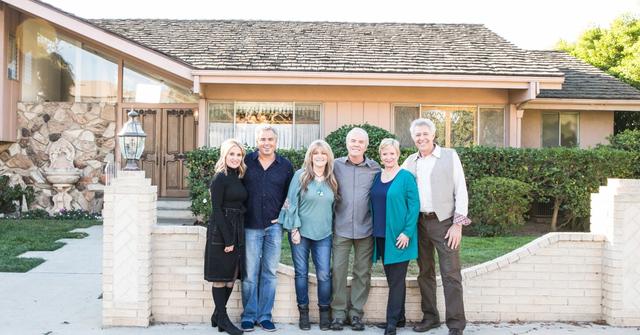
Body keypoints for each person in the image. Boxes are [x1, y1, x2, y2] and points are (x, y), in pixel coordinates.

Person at [401, 119, 471, 335]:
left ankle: (456, 324)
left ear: (433, 135)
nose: (421, 138)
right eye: (417, 135)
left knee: (451, 274)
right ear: (413, 138)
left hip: (444, 223)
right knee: (425, 272)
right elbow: (396, 183)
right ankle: (430, 317)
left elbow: (461, 190)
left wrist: (457, 225)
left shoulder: (449, 156)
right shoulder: (410, 161)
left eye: (425, 134)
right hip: (419, 223)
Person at [279, 140, 338, 331]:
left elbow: (335, 207)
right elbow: (290, 202)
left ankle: (324, 313)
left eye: (323, 153)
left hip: (324, 234)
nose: (319, 156)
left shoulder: (332, 178)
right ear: (310, 156)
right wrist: (294, 229)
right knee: (301, 274)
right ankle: (303, 313)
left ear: (328, 156)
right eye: (315, 153)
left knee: (324, 275)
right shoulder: (300, 176)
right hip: (301, 234)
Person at [241, 125, 294, 332]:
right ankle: (248, 315)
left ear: (276, 142)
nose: (266, 143)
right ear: (257, 141)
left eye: (270, 139)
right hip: (250, 226)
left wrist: (282, 217)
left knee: (270, 273)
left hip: (274, 227)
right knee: (250, 273)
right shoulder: (246, 162)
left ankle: (264, 316)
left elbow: (290, 197)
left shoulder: (285, 165)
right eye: (262, 139)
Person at [330, 127, 381, 331]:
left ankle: (356, 313)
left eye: (360, 142)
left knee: (362, 272)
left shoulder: (375, 168)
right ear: (347, 143)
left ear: (366, 146)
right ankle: (338, 314)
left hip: (365, 228)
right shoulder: (335, 165)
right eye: (353, 141)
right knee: (338, 271)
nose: (356, 145)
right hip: (340, 227)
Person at [370, 139, 420, 335]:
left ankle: (391, 323)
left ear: (398, 154)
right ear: (380, 156)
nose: (388, 157)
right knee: (393, 279)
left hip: (400, 237)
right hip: (381, 236)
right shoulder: (377, 177)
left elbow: (414, 206)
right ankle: (400, 318)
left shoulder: (406, 177)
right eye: (384, 154)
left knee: (397, 280)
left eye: (392, 153)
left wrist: (407, 232)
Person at [205, 139, 248, 335]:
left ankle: (217, 314)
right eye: (231, 154)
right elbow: (217, 211)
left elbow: (239, 202)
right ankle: (223, 318)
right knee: (221, 277)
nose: (235, 158)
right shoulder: (219, 178)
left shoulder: (238, 176)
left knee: (231, 276)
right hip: (222, 231)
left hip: (237, 227)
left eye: (239, 155)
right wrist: (228, 239)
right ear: (224, 155)